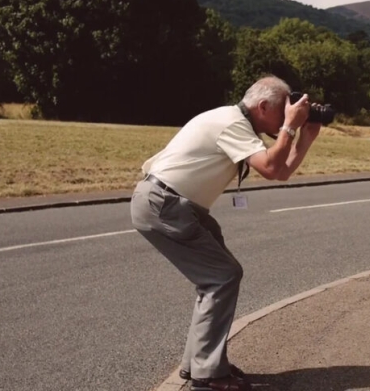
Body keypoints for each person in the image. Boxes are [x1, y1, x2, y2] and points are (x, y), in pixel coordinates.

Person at [130, 76, 321, 391]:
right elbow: (270, 167)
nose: (287, 115)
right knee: (223, 276)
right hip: (165, 204)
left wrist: (307, 135)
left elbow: (280, 171)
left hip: (177, 206)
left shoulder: (237, 123)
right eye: (283, 109)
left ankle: (199, 364)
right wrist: (289, 126)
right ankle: (207, 373)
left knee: (216, 279)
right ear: (263, 106)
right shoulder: (231, 123)